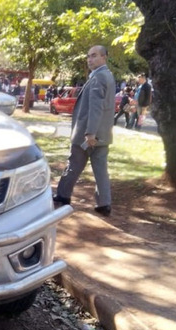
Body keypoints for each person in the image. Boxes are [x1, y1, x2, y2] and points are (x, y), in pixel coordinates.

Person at [53, 45, 116, 217]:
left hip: (87, 134)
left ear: (104, 57)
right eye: (88, 56)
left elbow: (96, 108)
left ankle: (63, 196)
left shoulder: (98, 78)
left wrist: (90, 133)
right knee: (101, 169)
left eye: (94, 56)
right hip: (103, 134)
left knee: (73, 164)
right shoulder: (108, 76)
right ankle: (104, 204)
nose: (89, 59)